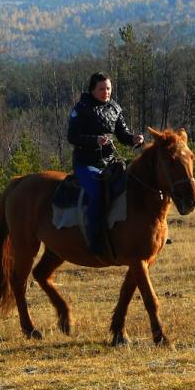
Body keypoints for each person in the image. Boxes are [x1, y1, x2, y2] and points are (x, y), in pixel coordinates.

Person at [67, 72, 144, 255]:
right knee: (97, 192)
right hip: (86, 163)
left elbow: (122, 134)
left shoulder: (115, 108)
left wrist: (133, 138)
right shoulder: (81, 108)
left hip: (109, 162)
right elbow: (72, 136)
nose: (106, 92)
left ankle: (143, 231)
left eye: (108, 88)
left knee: (136, 183)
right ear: (92, 90)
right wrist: (95, 140)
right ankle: (95, 238)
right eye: (101, 89)